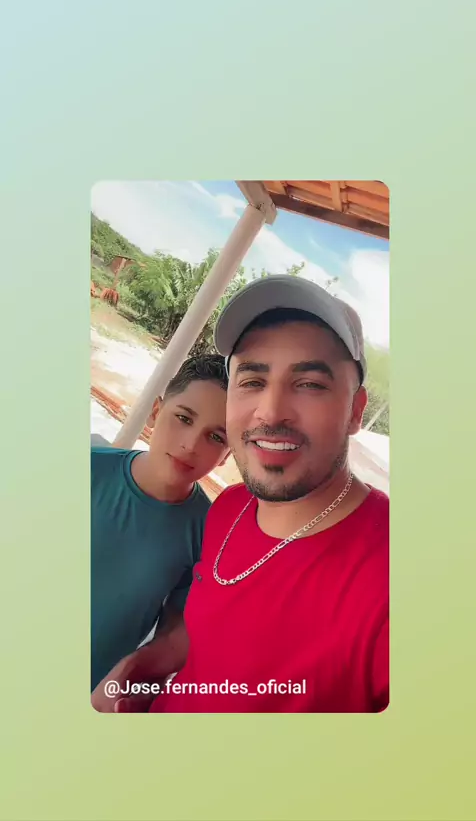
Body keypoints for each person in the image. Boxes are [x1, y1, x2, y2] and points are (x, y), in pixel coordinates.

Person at [92, 275, 389, 713]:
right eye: (252, 381)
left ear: (355, 411)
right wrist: (141, 667)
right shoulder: (229, 509)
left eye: (310, 384)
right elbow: (206, 625)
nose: (270, 412)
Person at [90, 354, 229, 691]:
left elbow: (175, 629)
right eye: (183, 418)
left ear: (228, 455)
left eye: (216, 437)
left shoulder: (209, 535)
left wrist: (133, 679)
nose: (190, 444)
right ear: (156, 411)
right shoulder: (86, 470)